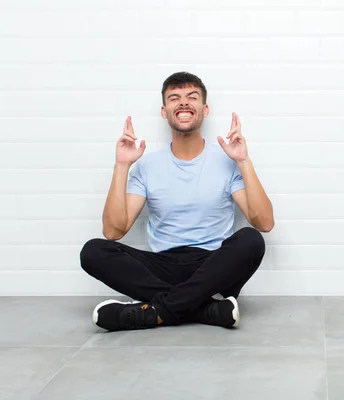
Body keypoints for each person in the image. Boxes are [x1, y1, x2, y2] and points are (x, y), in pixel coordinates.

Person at [79, 72, 274, 332]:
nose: (183, 103)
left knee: (251, 240)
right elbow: (114, 231)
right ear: (164, 111)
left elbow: (265, 223)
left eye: (191, 97)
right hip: (162, 266)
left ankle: (155, 311)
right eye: (175, 98)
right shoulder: (147, 166)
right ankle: (205, 308)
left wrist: (243, 161)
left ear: (204, 109)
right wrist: (122, 165)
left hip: (214, 268)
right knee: (93, 251)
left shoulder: (227, 162)